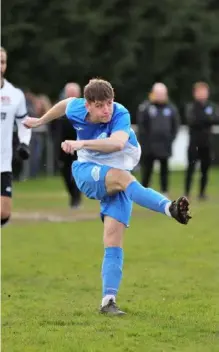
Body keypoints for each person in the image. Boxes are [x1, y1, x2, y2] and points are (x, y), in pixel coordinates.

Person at [23, 78, 191, 315]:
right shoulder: (78, 107)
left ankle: (108, 301)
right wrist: (40, 120)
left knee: (113, 238)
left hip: (116, 175)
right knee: (123, 178)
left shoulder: (119, 113)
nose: (107, 110)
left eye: (109, 103)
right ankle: (169, 209)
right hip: (87, 172)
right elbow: (65, 104)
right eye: (101, 105)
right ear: (88, 105)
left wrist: (80, 142)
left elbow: (116, 143)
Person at [1, 47, 31, 227]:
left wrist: (24, 143)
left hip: (3, 162)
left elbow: (23, 122)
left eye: (2, 62)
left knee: (4, 212)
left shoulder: (15, 95)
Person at [137, 83, 180, 196]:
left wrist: (171, 139)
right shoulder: (145, 107)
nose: (160, 96)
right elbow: (142, 126)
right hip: (149, 146)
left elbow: (176, 125)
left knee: (164, 170)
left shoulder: (171, 108)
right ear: (153, 94)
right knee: (147, 170)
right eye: (158, 93)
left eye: (162, 94)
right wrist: (145, 142)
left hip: (164, 145)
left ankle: (164, 191)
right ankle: (144, 192)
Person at [185, 82, 219, 200]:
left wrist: (204, 118)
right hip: (194, 143)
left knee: (205, 169)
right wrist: (206, 119)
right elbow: (192, 121)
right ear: (195, 93)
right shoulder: (191, 107)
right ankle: (187, 192)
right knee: (191, 168)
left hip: (207, 143)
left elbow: (215, 118)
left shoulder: (211, 106)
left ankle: (202, 193)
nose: (202, 94)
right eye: (200, 91)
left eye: (204, 91)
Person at [58, 83, 82, 208]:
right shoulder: (60, 109)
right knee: (65, 173)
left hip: (79, 147)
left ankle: (76, 198)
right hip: (64, 148)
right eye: (69, 93)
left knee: (78, 173)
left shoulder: (84, 109)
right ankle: (73, 195)